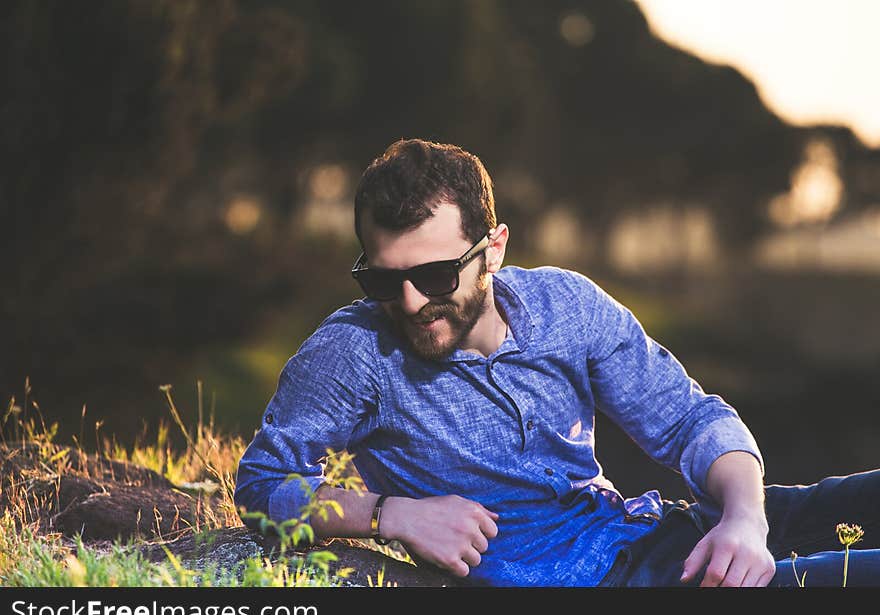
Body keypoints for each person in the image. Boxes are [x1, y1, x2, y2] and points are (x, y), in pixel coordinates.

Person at [234, 138, 880, 587]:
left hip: (660, 525)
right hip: (625, 583)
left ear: (493, 251)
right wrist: (389, 513)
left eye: (433, 275)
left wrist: (744, 518)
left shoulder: (564, 305)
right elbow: (263, 483)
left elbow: (689, 420)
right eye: (381, 280)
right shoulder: (353, 351)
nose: (407, 302)